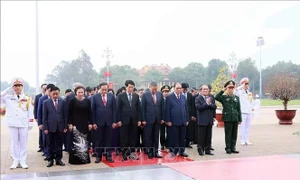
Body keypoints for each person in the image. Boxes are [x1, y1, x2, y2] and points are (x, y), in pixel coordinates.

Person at [0, 77, 34, 169]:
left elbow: (30, 111)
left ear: (22, 87)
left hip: (23, 123)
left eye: (19, 86)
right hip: (13, 123)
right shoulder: (8, 98)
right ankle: (15, 160)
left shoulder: (27, 98)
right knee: (14, 142)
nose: (17, 88)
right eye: (15, 86)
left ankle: (23, 160)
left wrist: (30, 123)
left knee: (23, 142)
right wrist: (8, 89)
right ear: (12, 87)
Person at [91, 82, 116, 163]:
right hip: (99, 122)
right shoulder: (95, 97)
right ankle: (98, 156)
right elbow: (93, 111)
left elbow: (114, 110)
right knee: (99, 140)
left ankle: (108, 155)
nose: (104, 91)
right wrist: (93, 122)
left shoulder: (111, 96)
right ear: (99, 89)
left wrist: (114, 121)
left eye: (106, 89)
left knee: (108, 140)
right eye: (103, 89)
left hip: (109, 122)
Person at [215, 80, 242, 154]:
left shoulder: (236, 98)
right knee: (228, 134)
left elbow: (238, 109)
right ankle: (228, 148)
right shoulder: (224, 97)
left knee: (234, 134)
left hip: (235, 118)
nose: (231, 89)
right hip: (228, 118)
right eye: (229, 88)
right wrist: (222, 90)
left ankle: (233, 147)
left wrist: (240, 119)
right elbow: (216, 97)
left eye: (232, 88)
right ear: (227, 89)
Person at [43, 86, 67, 167]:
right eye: (54, 94)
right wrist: (45, 128)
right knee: (50, 144)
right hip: (50, 127)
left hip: (60, 127)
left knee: (59, 144)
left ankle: (58, 159)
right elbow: (44, 116)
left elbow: (65, 115)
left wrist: (65, 127)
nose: (55, 96)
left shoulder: (63, 102)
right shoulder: (46, 102)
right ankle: (50, 160)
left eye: (57, 94)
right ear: (50, 94)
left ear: (59, 93)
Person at [117, 80, 141, 161]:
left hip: (134, 120)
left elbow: (138, 109)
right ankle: (124, 154)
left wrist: (139, 120)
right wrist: (119, 120)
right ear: (126, 87)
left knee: (133, 138)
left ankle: (132, 153)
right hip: (124, 120)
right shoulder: (121, 96)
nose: (131, 89)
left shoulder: (136, 96)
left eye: (132, 87)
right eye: (129, 87)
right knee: (124, 138)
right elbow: (118, 109)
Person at [68, 86, 92, 164]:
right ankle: (75, 160)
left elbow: (90, 113)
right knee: (76, 141)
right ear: (76, 92)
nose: (81, 94)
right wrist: (70, 124)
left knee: (84, 141)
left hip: (84, 124)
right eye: (79, 92)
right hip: (75, 124)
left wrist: (90, 123)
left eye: (82, 92)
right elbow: (69, 114)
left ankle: (84, 159)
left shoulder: (87, 101)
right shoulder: (72, 101)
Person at [165, 82, 189, 157]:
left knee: (182, 137)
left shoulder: (183, 97)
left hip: (183, 120)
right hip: (173, 121)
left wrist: (187, 119)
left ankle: (182, 151)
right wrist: (168, 120)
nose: (179, 90)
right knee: (174, 137)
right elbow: (167, 110)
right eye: (177, 88)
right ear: (174, 88)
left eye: (180, 88)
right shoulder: (169, 97)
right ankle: (174, 151)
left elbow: (186, 109)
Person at [141, 81, 164, 159]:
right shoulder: (145, 95)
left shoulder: (160, 94)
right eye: (153, 89)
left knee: (156, 136)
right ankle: (149, 151)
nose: (155, 90)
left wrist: (162, 118)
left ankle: (156, 151)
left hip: (157, 119)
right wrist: (143, 119)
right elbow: (142, 108)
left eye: (156, 89)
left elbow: (162, 107)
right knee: (148, 136)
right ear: (150, 87)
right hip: (148, 119)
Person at [195, 85, 216, 156]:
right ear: (200, 90)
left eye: (207, 89)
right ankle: (200, 149)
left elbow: (214, 107)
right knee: (201, 136)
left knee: (208, 136)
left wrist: (210, 104)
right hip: (202, 121)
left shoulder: (211, 97)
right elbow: (199, 108)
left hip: (209, 120)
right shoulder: (198, 98)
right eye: (204, 89)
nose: (206, 91)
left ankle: (207, 149)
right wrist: (206, 104)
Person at [37, 84, 55, 160]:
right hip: (45, 123)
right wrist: (40, 123)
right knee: (46, 139)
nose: (50, 92)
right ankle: (47, 154)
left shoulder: (57, 98)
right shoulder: (42, 99)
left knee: (54, 140)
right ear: (46, 90)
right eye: (49, 91)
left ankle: (54, 154)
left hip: (54, 123)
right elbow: (39, 112)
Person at [235, 77, 254, 145]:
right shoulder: (239, 92)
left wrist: (252, 111)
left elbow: (251, 102)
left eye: (247, 83)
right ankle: (242, 139)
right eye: (245, 83)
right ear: (242, 84)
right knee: (242, 127)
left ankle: (247, 139)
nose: (247, 85)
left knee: (248, 127)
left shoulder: (249, 93)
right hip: (242, 112)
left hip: (249, 112)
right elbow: (235, 91)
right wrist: (241, 86)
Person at [34, 83, 47, 153]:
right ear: (41, 89)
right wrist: (36, 117)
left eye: (46, 88)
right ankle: (41, 146)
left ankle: (45, 148)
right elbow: (36, 107)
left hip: (47, 118)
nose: (44, 89)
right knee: (41, 132)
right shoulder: (38, 97)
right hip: (40, 117)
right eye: (43, 88)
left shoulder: (49, 96)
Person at [181, 83, 194, 148]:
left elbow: (192, 105)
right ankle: (182, 142)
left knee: (189, 129)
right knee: (182, 129)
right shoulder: (180, 94)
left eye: (186, 89)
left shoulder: (189, 95)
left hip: (188, 114)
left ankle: (187, 142)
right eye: (184, 89)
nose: (185, 90)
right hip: (182, 114)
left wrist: (192, 115)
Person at [160, 85, 171, 150]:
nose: (166, 93)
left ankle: (168, 143)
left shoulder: (170, 99)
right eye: (165, 92)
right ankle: (162, 144)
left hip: (169, 119)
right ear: (162, 92)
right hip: (162, 119)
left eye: (167, 92)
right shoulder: (160, 99)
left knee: (169, 132)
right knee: (162, 132)